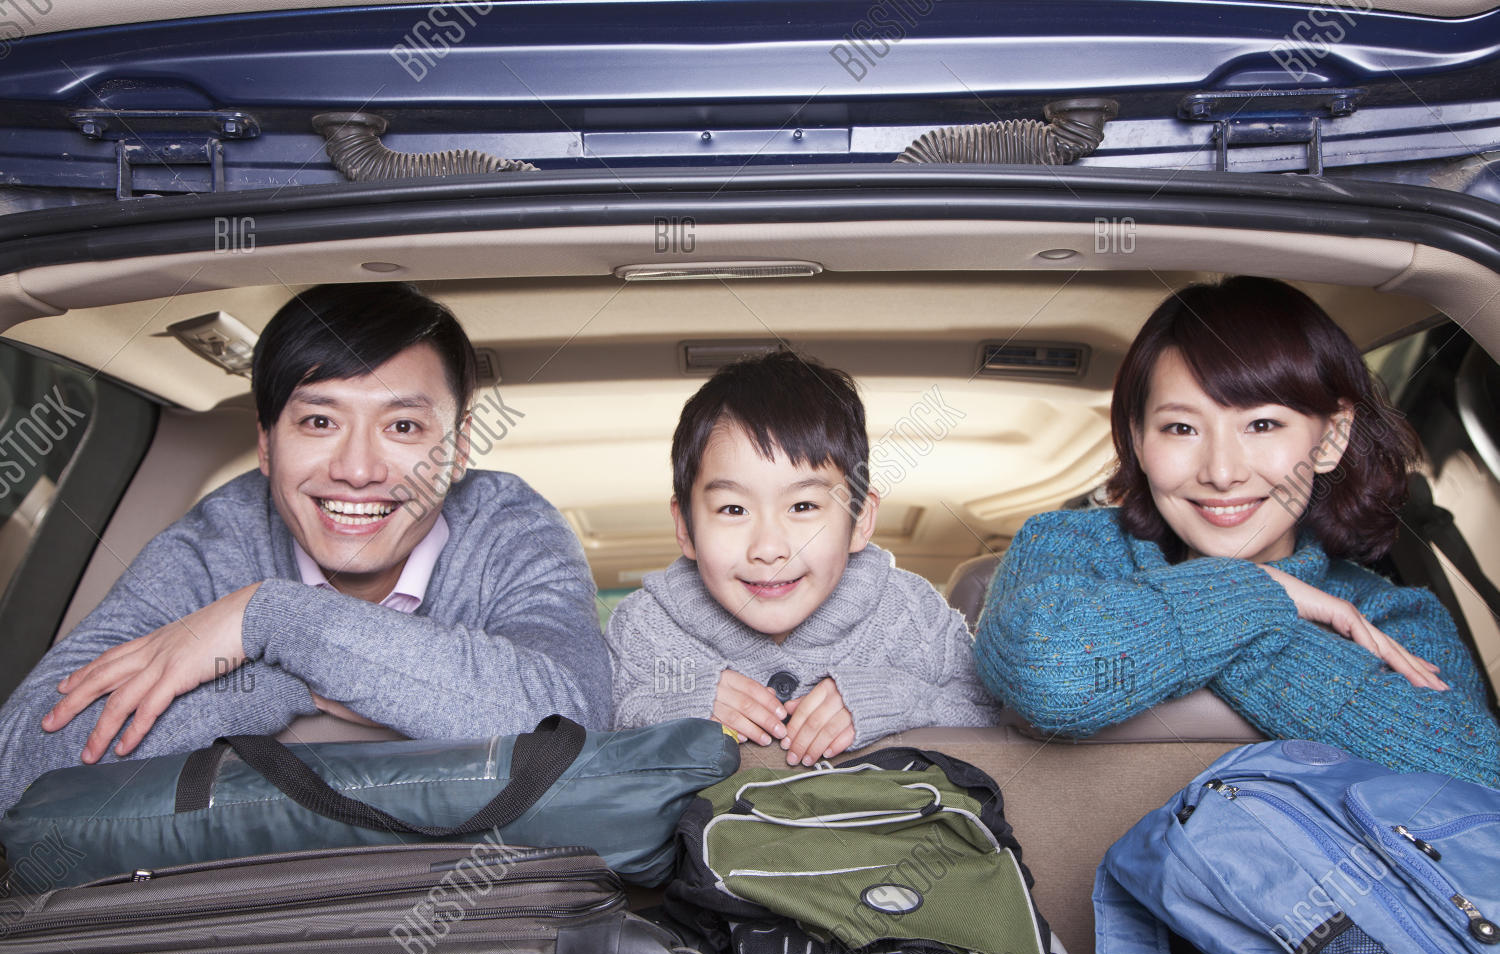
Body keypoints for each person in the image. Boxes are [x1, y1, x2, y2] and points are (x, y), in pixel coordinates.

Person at [0, 282, 611, 810]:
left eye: (403, 426)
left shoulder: (510, 530)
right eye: (320, 421)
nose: (357, 469)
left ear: (460, 447)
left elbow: (573, 727)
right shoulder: (217, 539)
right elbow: (20, 767)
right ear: (266, 443)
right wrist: (285, 679)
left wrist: (263, 619)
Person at [974, 276, 1499, 786]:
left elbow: (1478, 777)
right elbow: (1050, 674)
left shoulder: (1393, 616)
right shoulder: (1070, 546)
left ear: (1333, 436)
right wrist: (1262, 591)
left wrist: (1246, 619)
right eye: (1181, 428)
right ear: (1137, 438)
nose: (1222, 472)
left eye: (1262, 425)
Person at [607, 349, 1001, 766]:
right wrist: (677, 709)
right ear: (685, 527)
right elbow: (585, 732)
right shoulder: (644, 627)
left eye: (803, 507)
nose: (769, 548)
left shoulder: (913, 615)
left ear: (860, 518)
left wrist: (898, 699)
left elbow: (991, 718)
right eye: (733, 509)